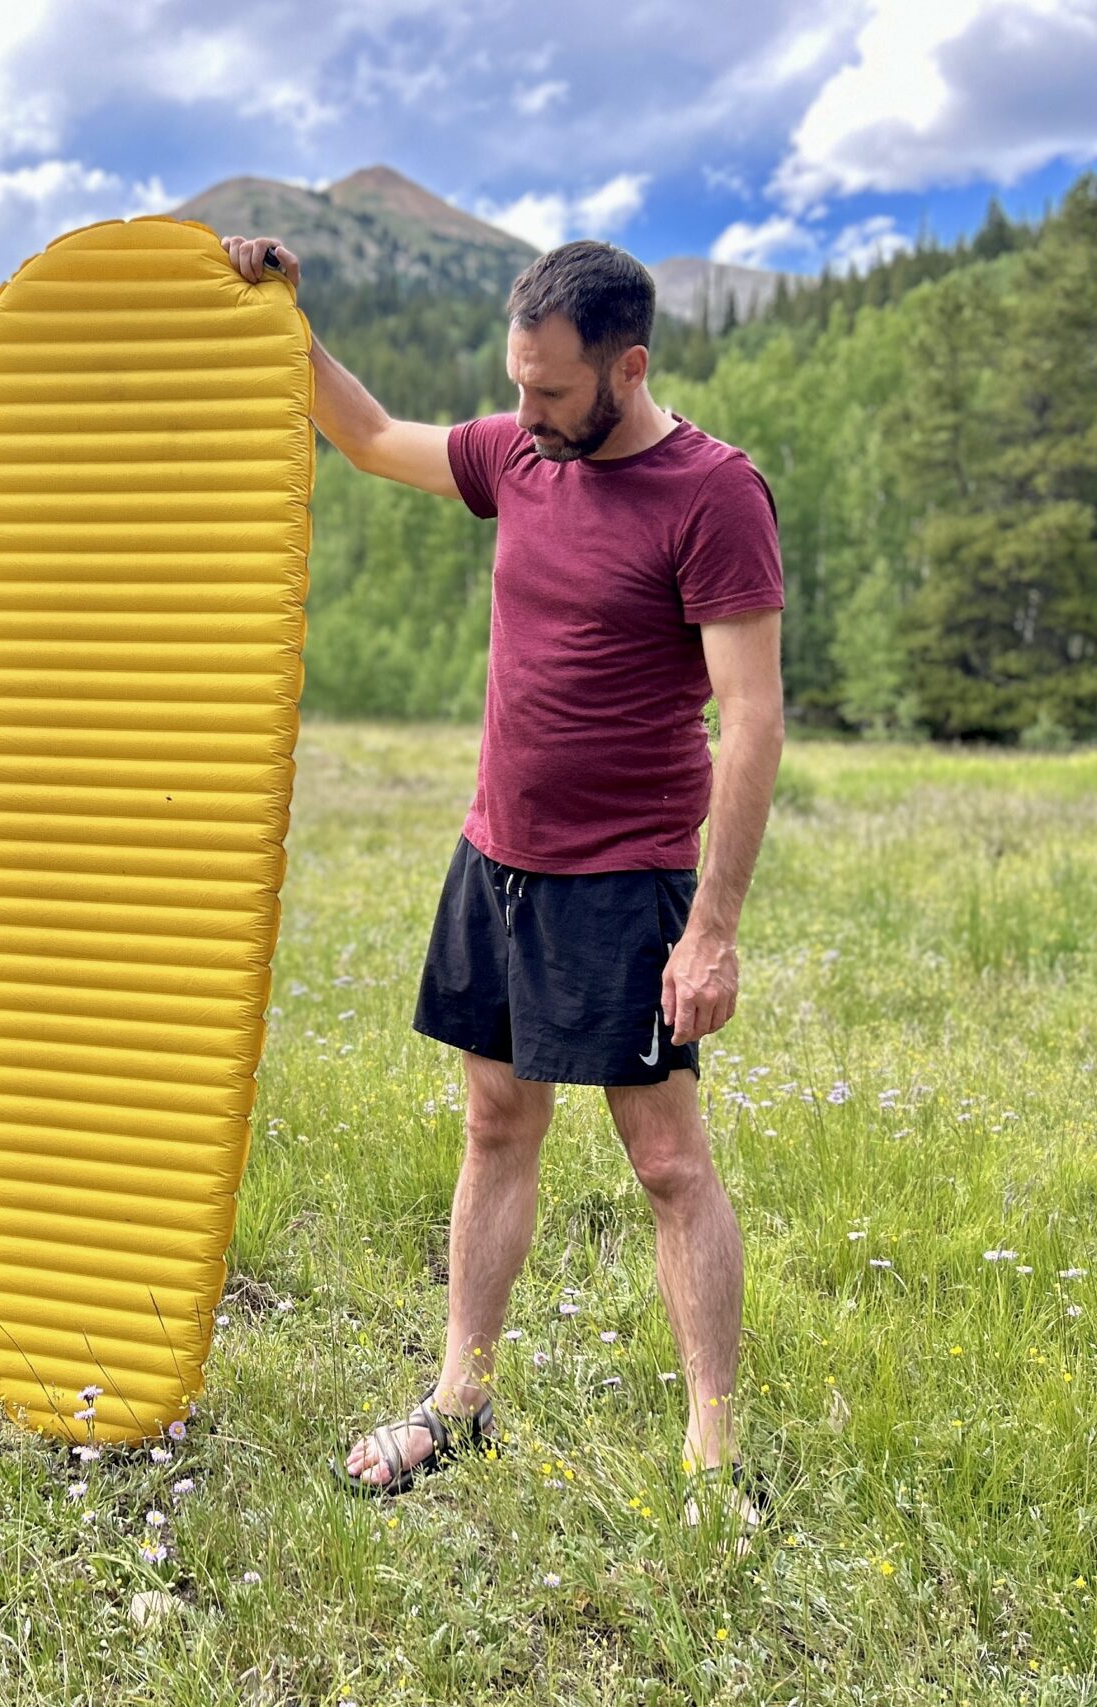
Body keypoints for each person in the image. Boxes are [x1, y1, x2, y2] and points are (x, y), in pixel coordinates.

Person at [220, 234, 785, 1531]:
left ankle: (712, 1450)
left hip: (625, 880)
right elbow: (364, 438)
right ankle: (460, 1401)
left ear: (628, 369)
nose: (523, 416)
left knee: (667, 1165)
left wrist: (713, 931)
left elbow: (750, 722)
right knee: (493, 1124)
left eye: (548, 392)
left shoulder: (714, 496)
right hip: (497, 862)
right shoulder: (520, 456)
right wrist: (278, 316)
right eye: (514, 386)